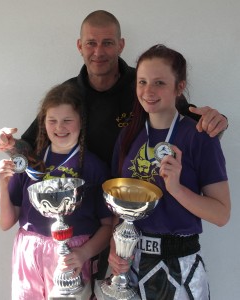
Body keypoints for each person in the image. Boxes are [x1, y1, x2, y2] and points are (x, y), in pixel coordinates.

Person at [0, 10, 228, 168]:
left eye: (108, 43)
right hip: (81, 209)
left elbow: (195, 126)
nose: (99, 52)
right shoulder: (66, 94)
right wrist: (9, 145)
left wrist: (218, 122)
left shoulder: (145, 86)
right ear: (80, 46)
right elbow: (30, 147)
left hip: (138, 203)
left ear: (121, 45)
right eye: (91, 43)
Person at [107, 44, 231, 300]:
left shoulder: (199, 137)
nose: (148, 91)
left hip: (179, 266)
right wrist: (115, 248)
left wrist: (176, 188)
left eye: (159, 82)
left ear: (179, 86)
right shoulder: (128, 136)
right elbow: (118, 208)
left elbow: (221, 214)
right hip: (131, 264)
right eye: (142, 82)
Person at [0, 81, 113, 300]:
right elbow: (5, 222)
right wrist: (1, 185)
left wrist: (84, 253)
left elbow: (108, 225)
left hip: (73, 256)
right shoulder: (30, 164)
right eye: (52, 120)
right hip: (28, 253)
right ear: (43, 123)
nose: (60, 127)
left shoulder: (93, 167)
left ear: (81, 122)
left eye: (67, 120)